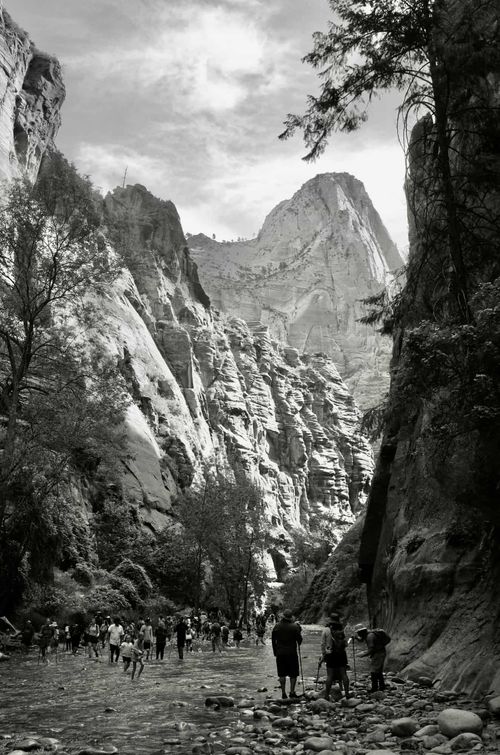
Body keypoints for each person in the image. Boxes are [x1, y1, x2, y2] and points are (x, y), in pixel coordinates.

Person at [271, 608, 302, 699]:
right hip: (292, 653)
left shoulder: (276, 626)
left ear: (283, 617)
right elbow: (299, 641)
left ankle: (283, 693)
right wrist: (299, 631)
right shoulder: (295, 627)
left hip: (280, 653)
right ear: (290, 617)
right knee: (293, 673)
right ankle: (292, 692)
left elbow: (273, 641)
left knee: (281, 674)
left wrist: (275, 652)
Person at [320, 614, 350, 699]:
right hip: (341, 654)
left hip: (330, 654)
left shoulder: (326, 630)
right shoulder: (342, 629)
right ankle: (347, 693)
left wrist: (323, 655)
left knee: (330, 675)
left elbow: (322, 644)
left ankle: (326, 695)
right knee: (344, 674)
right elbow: (346, 644)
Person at [354, 624, 390, 693]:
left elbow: (371, 649)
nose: (358, 633)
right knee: (378, 671)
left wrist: (363, 654)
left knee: (374, 671)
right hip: (380, 652)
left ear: (361, 632)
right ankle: (382, 686)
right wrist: (356, 638)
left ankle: (374, 688)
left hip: (378, 654)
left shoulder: (370, 636)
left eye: (358, 632)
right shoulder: (367, 634)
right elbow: (361, 640)